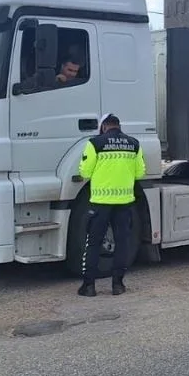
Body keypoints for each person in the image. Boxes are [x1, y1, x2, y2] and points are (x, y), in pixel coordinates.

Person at [76, 113, 146, 297]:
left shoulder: (95, 143)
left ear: (104, 127)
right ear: (118, 126)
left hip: (100, 203)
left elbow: (85, 171)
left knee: (93, 244)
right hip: (124, 203)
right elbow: (140, 173)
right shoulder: (134, 144)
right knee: (122, 243)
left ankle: (89, 286)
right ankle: (118, 285)